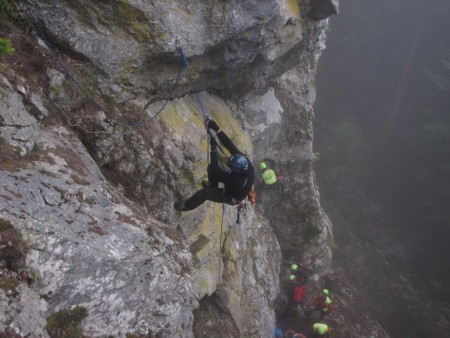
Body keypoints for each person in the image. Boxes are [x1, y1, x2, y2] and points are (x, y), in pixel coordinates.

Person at [174, 119, 255, 211]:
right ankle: (213, 186)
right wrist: (216, 128)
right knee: (211, 169)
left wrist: (214, 149)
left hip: (231, 195)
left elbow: (216, 171)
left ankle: (185, 206)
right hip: (235, 184)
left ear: (236, 171)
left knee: (205, 193)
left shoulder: (238, 181)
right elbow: (229, 145)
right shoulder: (244, 161)